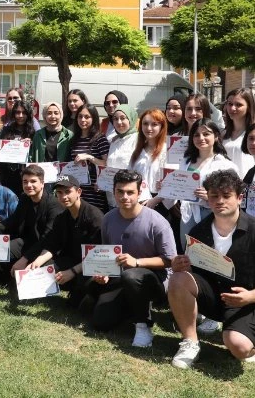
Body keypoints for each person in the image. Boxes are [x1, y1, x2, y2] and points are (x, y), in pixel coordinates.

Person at [168, 169, 255, 368]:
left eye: (226, 195)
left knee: (239, 347)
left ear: (239, 198)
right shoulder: (198, 231)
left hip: (247, 301)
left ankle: (247, 341)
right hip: (215, 296)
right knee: (178, 278)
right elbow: (193, 275)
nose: (220, 201)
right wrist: (180, 266)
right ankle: (190, 343)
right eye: (214, 196)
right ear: (208, 199)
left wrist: (251, 296)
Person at [82, 169, 176, 348]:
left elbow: (170, 260)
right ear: (113, 191)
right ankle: (130, 307)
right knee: (99, 321)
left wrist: (137, 262)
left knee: (132, 276)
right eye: (120, 191)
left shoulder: (157, 222)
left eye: (130, 192)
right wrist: (104, 274)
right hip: (122, 277)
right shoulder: (108, 219)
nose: (124, 197)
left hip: (155, 279)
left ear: (139, 193)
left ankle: (143, 325)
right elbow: (108, 254)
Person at [25, 174, 103, 307]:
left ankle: (85, 295)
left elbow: (98, 256)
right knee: (44, 266)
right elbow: (52, 245)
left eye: (68, 192)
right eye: (59, 193)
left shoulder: (94, 217)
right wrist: (37, 262)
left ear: (79, 192)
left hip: (92, 265)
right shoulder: (61, 217)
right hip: (72, 260)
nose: (63, 197)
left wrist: (72, 272)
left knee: (78, 304)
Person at [176, 119, 237, 243]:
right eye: (196, 135)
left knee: (209, 251)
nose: (201, 138)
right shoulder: (185, 162)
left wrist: (211, 196)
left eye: (206, 134)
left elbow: (234, 195)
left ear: (216, 136)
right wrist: (166, 186)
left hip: (212, 214)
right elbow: (178, 185)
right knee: (187, 249)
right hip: (188, 214)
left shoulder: (225, 165)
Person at [7, 165, 63, 276]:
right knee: (1, 250)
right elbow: (13, 220)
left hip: (46, 249)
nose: (28, 185)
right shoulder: (24, 198)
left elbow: (47, 238)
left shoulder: (54, 205)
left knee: (35, 272)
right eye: (25, 182)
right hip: (26, 243)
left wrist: (25, 258)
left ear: (42, 183)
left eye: (33, 181)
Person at [69, 104, 110, 212]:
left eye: (87, 117)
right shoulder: (74, 140)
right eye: (80, 116)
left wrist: (89, 157)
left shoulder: (100, 139)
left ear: (94, 118)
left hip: (95, 192)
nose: (83, 120)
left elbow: (106, 164)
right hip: (78, 190)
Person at [0, 99, 36, 195]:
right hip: (5, 174)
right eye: (18, 112)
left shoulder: (33, 133)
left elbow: (37, 155)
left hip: (24, 176)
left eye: (24, 113)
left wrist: (31, 144)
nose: (20, 116)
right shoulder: (5, 130)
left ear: (28, 114)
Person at [129, 109, 168, 208]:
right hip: (138, 201)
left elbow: (174, 183)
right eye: (145, 124)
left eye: (154, 124)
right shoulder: (137, 151)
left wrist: (155, 200)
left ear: (162, 127)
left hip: (160, 203)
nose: (149, 128)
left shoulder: (167, 151)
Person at [105, 105, 138, 208]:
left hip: (129, 199)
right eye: (115, 119)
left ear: (131, 119)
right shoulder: (114, 141)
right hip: (112, 198)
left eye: (123, 118)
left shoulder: (138, 139)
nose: (119, 122)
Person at [222, 88, 255, 177]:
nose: (232, 108)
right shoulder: (223, 134)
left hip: (248, 182)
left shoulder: (252, 133)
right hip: (227, 183)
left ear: (249, 107)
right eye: (230, 104)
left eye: (238, 105)